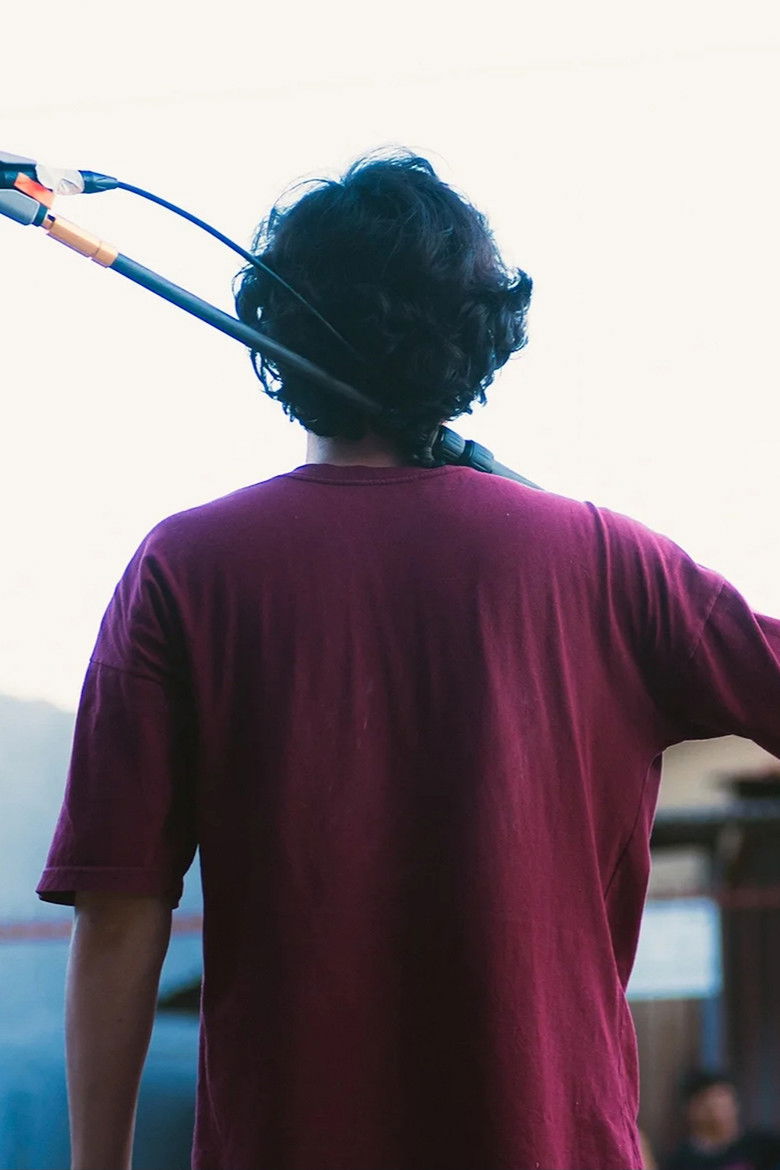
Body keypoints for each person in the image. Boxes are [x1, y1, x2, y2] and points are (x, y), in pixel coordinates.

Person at [37, 151, 780, 1170]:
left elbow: (120, 914)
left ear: (275, 328)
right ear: (477, 339)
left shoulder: (185, 569)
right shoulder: (615, 564)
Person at [663, 1069, 780, 1170]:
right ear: (690, 1109)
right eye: (709, 1104)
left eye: (723, 1103)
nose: (717, 1111)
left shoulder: (764, 1147)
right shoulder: (680, 1161)